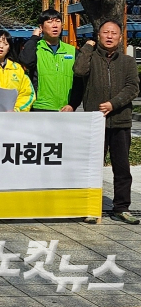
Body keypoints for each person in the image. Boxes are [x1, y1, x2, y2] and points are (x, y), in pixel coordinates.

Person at [73, 20, 140, 224]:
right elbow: (79, 71)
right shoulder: (90, 58)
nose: (110, 36)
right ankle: (90, 208)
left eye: (114, 33)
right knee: (92, 167)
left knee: (121, 167)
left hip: (120, 121)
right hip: (95, 122)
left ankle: (121, 207)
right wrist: (86, 48)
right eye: (105, 32)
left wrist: (113, 103)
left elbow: (132, 88)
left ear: (120, 38)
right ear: (98, 35)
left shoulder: (128, 62)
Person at [19, 9, 83, 112]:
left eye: (57, 21)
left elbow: (79, 81)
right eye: (49, 22)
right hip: (39, 107)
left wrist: (73, 104)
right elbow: (26, 61)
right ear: (41, 27)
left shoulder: (72, 51)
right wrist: (34, 38)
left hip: (65, 109)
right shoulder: (36, 48)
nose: (55, 25)